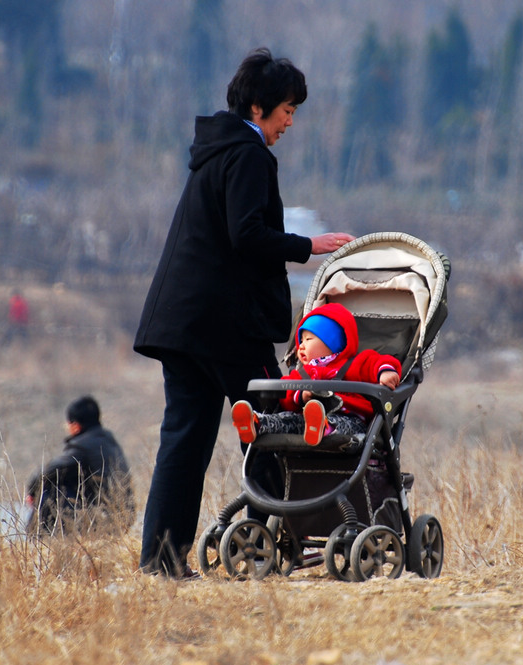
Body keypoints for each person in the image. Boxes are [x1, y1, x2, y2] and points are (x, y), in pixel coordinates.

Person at [133, 47, 356, 579]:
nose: (290, 122)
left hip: (182, 323)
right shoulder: (250, 155)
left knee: (184, 440)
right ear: (258, 108)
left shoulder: (215, 151)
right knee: (274, 428)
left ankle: (161, 561)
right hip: (227, 326)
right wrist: (311, 244)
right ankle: (258, 550)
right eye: (286, 110)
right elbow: (247, 236)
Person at [231, 303, 401, 446]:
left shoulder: (357, 362)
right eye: (301, 340)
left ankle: (325, 427)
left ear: (332, 342)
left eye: (309, 339)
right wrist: (299, 396)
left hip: (351, 420)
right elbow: (286, 398)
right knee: (288, 419)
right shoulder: (303, 373)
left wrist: (385, 372)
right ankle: (258, 423)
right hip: (308, 422)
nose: (302, 346)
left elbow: (379, 362)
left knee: (344, 425)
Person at [25, 395, 135, 536]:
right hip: (122, 517)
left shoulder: (82, 447)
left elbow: (48, 472)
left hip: (104, 520)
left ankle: (38, 544)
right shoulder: (108, 440)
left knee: (51, 490)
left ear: (75, 426)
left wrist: (32, 491)